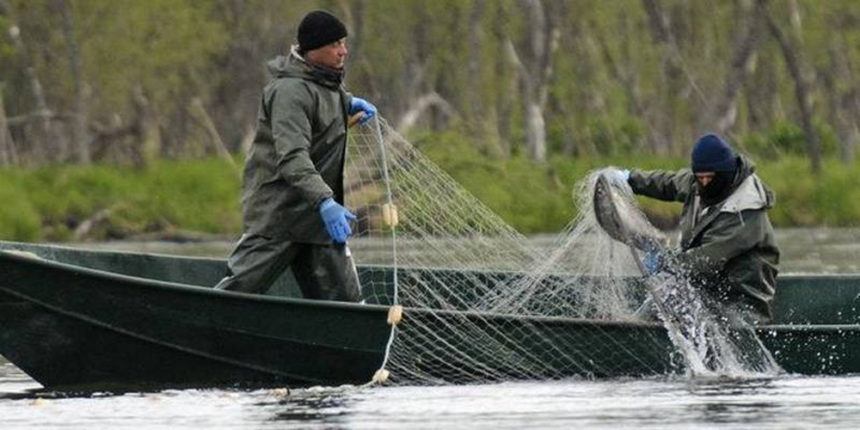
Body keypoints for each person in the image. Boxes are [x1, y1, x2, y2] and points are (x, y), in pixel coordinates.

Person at [214, 10, 376, 302]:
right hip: (280, 218)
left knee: (348, 308)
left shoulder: (328, 84)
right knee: (235, 297)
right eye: (335, 44)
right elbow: (292, 157)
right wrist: (327, 202)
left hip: (317, 225)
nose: (344, 51)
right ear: (313, 49)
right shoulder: (289, 92)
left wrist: (348, 103)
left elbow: (321, 101)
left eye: (344, 42)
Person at [613, 133, 780, 324]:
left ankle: (635, 328)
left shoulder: (745, 213)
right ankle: (635, 325)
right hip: (707, 291)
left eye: (709, 178)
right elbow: (668, 183)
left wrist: (664, 261)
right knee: (665, 294)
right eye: (700, 177)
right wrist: (629, 179)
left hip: (740, 306)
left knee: (670, 292)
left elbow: (704, 261)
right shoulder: (700, 182)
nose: (705, 183)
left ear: (725, 173)